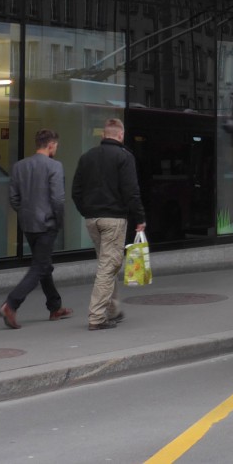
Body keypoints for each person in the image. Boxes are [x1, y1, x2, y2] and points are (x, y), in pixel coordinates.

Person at [72, 118, 146, 331]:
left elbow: (76, 191)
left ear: (103, 135)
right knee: (109, 265)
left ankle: (113, 309)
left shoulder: (87, 157)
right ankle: (97, 316)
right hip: (114, 219)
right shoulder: (124, 157)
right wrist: (139, 218)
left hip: (91, 219)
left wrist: (86, 211)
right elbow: (132, 192)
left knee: (106, 262)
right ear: (120, 135)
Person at [0, 129, 73, 329]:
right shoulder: (55, 166)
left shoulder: (20, 166)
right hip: (47, 223)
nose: (56, 148)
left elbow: (14, 198)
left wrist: (23, 213)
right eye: (56, 145)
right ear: (51, 145)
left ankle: (55, 307)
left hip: (28, 224)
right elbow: (57, 198)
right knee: (39, 267)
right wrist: (59, 220)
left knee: (44, 265)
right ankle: (11, 304)